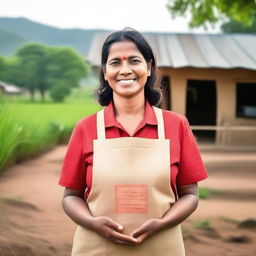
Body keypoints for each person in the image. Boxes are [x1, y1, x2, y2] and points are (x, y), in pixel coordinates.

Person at [59, 28, 208, 256]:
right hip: (96, 247)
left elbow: (190, 194)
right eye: (115, 62)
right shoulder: (85, 128)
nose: (125, 70)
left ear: (148, 68)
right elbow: (71, 196)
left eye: (134, 61)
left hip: (161, 246)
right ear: (105, 72)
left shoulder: (176, 125)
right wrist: (92, 222)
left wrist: (163, 223)